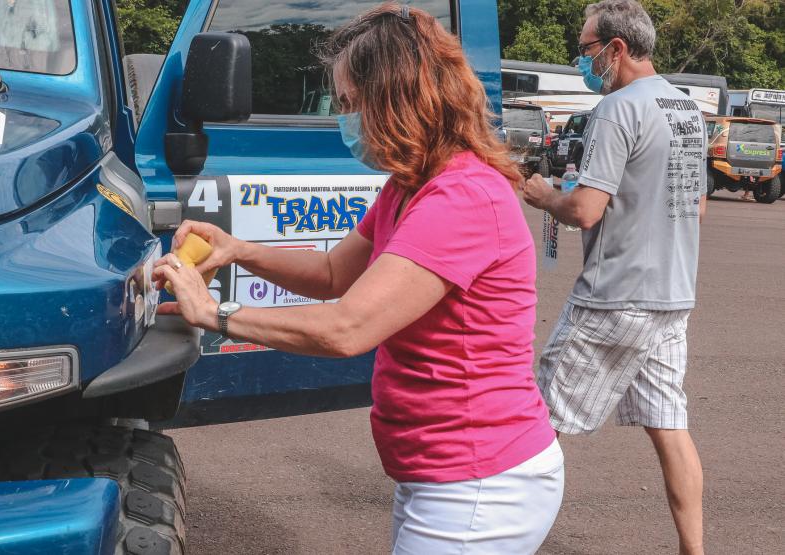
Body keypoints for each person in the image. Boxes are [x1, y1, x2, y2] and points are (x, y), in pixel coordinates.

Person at [155, 4, 563, 553]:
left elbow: (348, 328)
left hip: (479, 481)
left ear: (397, 97)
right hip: (445, 474)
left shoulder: (461, 197)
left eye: (349, 102)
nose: (344, 117)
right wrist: (238, 250)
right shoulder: (409, 186)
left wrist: (214, 314)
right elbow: (331, 274)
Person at [520, 1, 707, 554]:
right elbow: (695, 205)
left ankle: (500, 536)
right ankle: (693, 551)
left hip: (615, 295)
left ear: (615, 49)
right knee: (669, 425)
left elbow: (584, 211)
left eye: (585, 49)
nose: (582, 60)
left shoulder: (617, 109)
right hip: (673, 296)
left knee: (537, 422)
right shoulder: (687, 109)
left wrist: (542, 195)